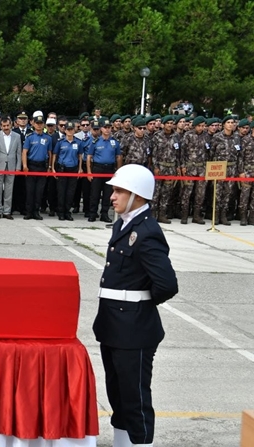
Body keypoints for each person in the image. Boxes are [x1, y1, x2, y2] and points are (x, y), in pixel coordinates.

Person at [93, 163, 178, 447]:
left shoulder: (146, 231)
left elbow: (166, 284)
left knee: (135, 399)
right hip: (114, 326)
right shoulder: (125, 224)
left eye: (118, 191)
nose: (112, 196)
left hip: (134, 329)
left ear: (137, 195)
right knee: (117, 395)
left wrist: (137, 306)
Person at [0, 117, 22, 219]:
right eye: (4, 126)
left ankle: (7, 211)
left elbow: (19, 153)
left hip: (12, 165)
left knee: (9, 189)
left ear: (11, 125)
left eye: (8, 125)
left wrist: (18, 167)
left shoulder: (17, 136)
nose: (6, 127)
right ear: (0, 126)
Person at [51, 122, 83, 221]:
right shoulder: (60, 142)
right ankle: (61, 212)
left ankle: (67, 212)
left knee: (70, 192)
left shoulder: (78, 142)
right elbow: (55, 155)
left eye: (71, 129)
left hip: (73, 169)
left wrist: (80, 168)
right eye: (68, 129)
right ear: (65, 130)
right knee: (61, 192)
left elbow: (80, 156)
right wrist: (52, 168)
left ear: (74, 130)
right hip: (62, 169)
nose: (69, 131)